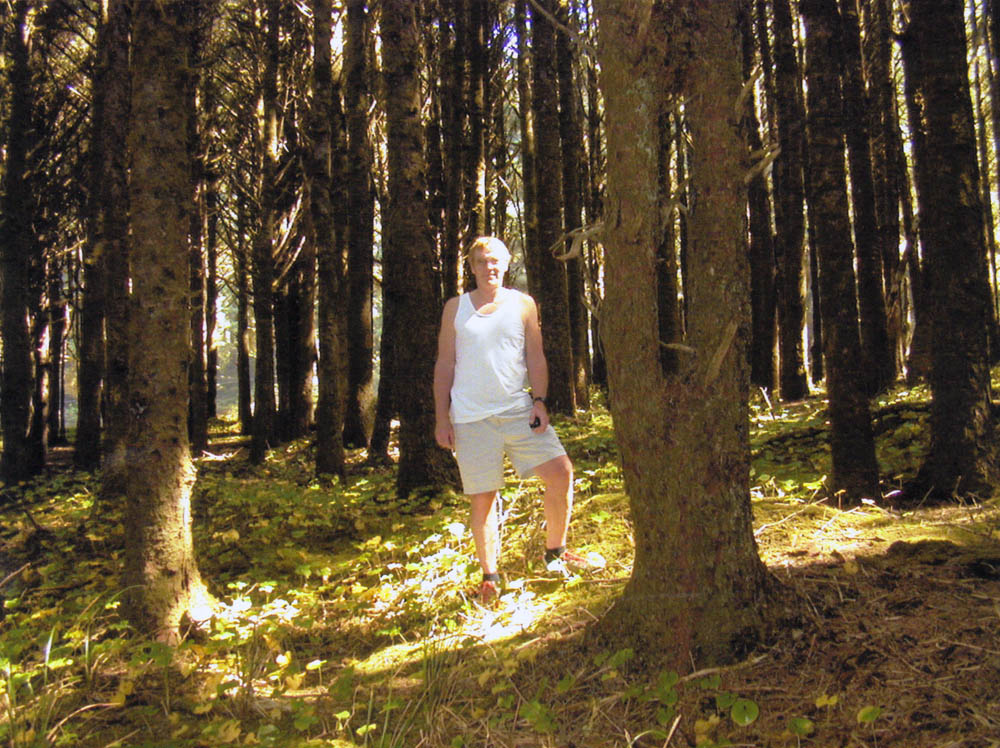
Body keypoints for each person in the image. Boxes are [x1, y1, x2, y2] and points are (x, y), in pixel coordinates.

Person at [433, 236, 586, 604]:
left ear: (507, 264)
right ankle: (490, 577)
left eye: (497, 261)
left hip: (519, 411)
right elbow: (445, 364)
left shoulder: (523, 305)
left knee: (561, 472)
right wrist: (442, 418)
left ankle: (555, 553)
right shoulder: (456, 308)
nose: (491, 268)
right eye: (483, 261)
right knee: (484, 496)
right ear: (471, 266)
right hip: (471, 418)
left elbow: (536, 356)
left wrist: (540, 401)